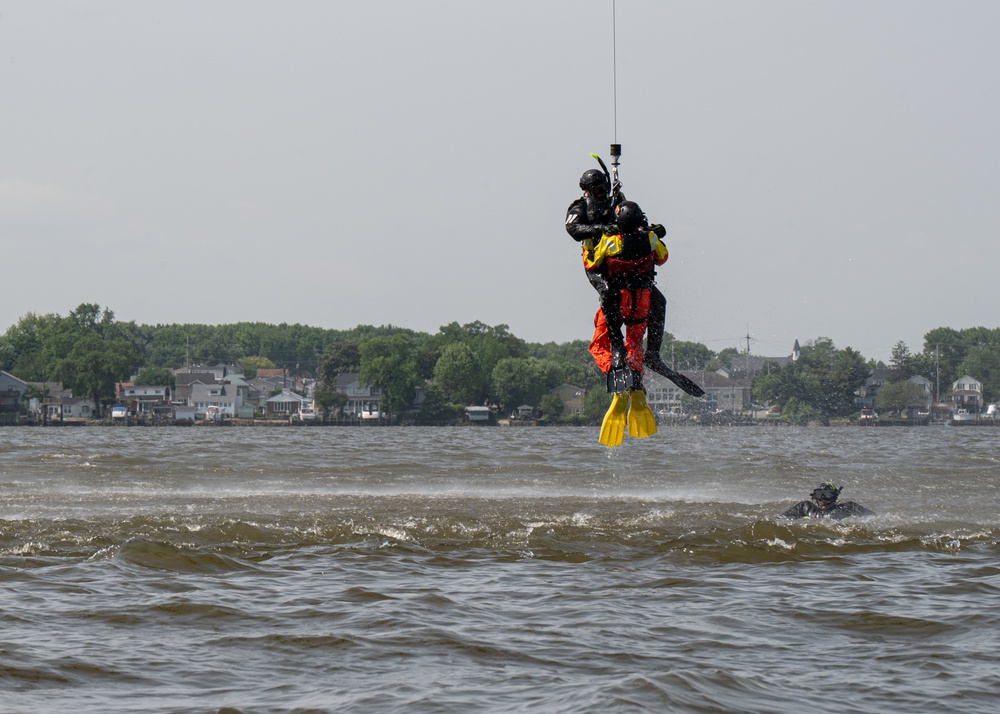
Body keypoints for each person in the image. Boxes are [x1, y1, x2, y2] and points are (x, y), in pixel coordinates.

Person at [565, 168, 672, 378]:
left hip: (628, 265)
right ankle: (617, 348)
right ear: (587, 190)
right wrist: (600, 230)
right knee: (608, 294)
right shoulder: (579, 207)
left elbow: (633, 218)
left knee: (658, 301)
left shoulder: (617, 201)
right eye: (598, 189)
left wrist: (651, 229)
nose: (603, 192)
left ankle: (652, 354)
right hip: (599, 263)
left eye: (605, 187)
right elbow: (574, 229)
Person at [582, 201, 668, 447]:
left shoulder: (611, 242)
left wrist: (588, 244)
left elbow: (592, 262)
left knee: (598, 346)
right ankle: (637, 385)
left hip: (615, 302)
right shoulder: (651, 239)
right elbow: (662, 258)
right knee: (635, 346)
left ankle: (618, 376)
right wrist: (651, 231)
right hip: (641, 301)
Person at [782, 482, 874, 520]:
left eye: (828, 495)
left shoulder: (848, 508)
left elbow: (873, 517)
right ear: (815, 496)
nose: (823, 500)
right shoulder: (804, 508)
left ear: (834, 497)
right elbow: (780, 519)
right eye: (820, 495)